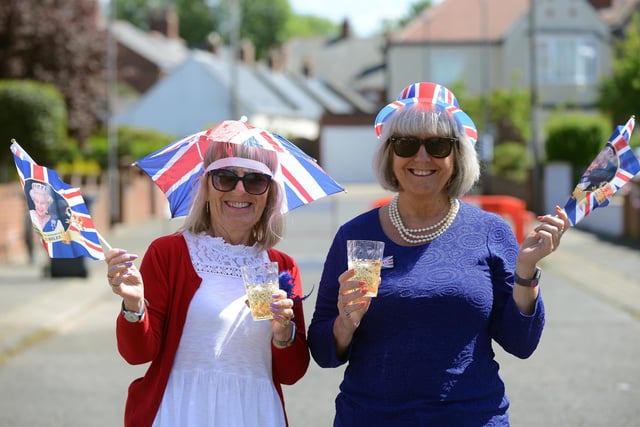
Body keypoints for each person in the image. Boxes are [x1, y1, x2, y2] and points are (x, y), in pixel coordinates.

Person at [308, 82, 570, 426]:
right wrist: (345, 323)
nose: (421, 157)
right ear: (389, 154)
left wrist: (526, 272)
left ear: (457, 155)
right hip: (372, 417)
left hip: (471, 417)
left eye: (437, 145)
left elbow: (521, 343)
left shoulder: (491, 231)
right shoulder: (356, 235)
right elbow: (324, 353)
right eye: (405, 144)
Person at [105, 122, 310, 427]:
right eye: (225, 178)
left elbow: (292, 373)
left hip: (254, 413)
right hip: (180, 410)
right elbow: (137, 354)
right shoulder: (169, 253)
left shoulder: (282, 266)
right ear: (206, 186)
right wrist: (134, 307)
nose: (240, 190)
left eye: (255, 181)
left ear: (270, 194)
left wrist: (284, 336)